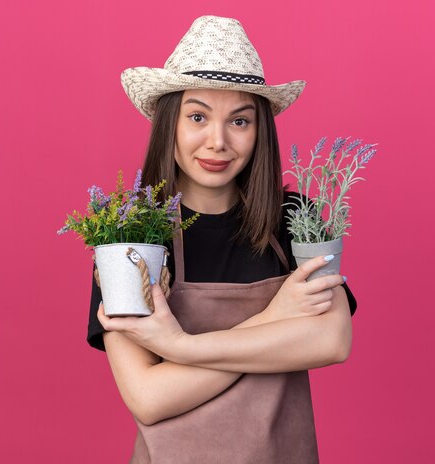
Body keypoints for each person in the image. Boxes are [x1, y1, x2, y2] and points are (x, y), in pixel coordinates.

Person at [86, 15, 358, 464]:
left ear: (260, 131)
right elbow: (148, 397)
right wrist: (277, 316)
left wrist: (181, 348)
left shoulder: (296, 220)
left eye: (239, 120)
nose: (218, 141)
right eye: (197, 116)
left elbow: (332, 342)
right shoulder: (129, 233)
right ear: (168, 123)